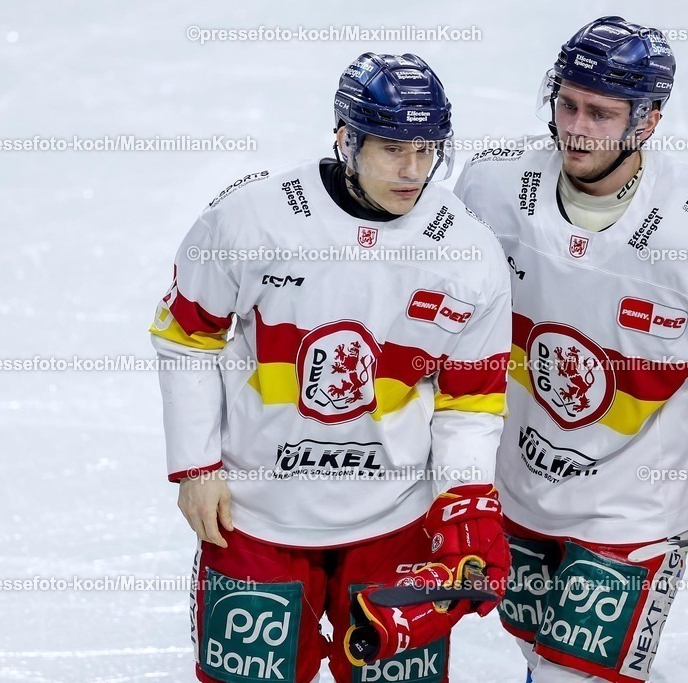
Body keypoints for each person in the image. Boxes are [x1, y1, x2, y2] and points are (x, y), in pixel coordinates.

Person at [455, 17, 688, 682]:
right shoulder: (490, 189)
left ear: (646, 123)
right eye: (566, 103)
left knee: (570, 676)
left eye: (600, 113)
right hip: (518, 490)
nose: (576, 127)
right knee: (538, 655)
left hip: (636, 508)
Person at [149, 52, 512, 683]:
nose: (413, 171)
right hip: (254, 514)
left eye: (429, 150)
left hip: (396, 518)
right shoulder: (252, 219)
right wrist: (197, 467)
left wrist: (465, 499)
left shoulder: (469, 251)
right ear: (345, 137)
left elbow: (470, 399)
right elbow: (187, 336)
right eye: (393, 148)